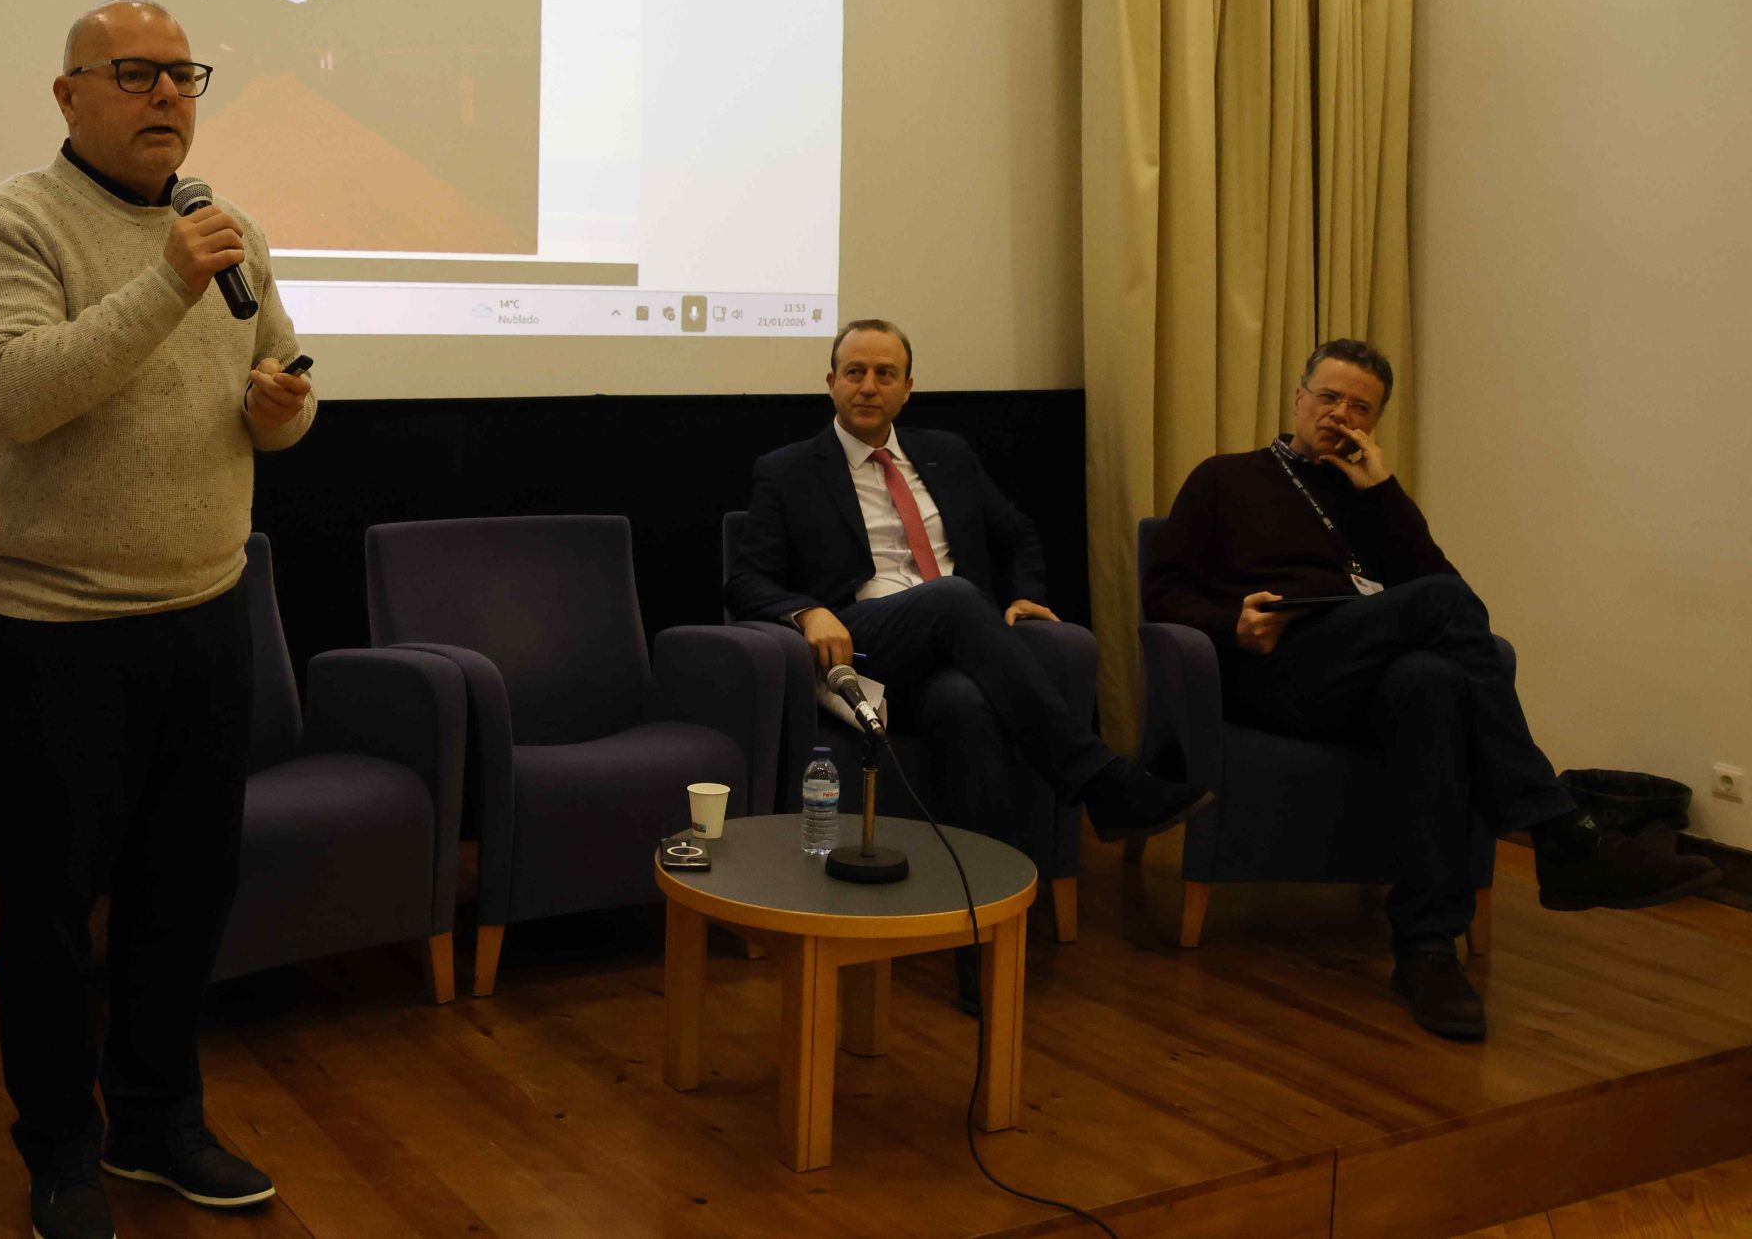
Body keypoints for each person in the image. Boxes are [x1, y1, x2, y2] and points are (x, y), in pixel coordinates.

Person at [0, 0, 314, 1239]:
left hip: (206, 610)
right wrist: (166, 281)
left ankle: (157, 1121)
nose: (167, 95)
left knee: (184, 896)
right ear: (69, 95)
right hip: (58, 629)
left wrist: (278, 409)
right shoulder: (12, 224)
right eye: (136, 73)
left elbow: (283, 378)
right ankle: (60, 1150)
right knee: (53, 916)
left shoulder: (225, 228)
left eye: (183, 76)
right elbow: (17, 395)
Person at [1144, 338, 1715, 1041]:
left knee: (1433, 681)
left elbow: (1440, 586)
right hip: (1274, 671)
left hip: (1363, 677)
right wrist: (1232, 623)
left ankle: (1427, 950)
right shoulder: (1225, 478)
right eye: (1328, 397)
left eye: (1360, 407)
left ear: (1375, 422)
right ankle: (1559, 830)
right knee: (1440, 608)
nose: (1340, 415)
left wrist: (1381, 491)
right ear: (1298, 398)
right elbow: (1162, 592)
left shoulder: (1369, 496)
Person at [727, 319, 1212, 1005]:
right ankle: (1099, 779)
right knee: (953, 597)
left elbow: (1017, 532)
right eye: (855, 371)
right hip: (865, 640)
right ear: (830, 382)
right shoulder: (787, 470)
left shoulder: (947, 454)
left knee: (967, 707)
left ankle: (979, 942)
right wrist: (807, 611)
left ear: (908, 387)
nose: (868, 386)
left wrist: (1025, 595)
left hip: (956, 649)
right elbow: (745, 580)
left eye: (885, 373)